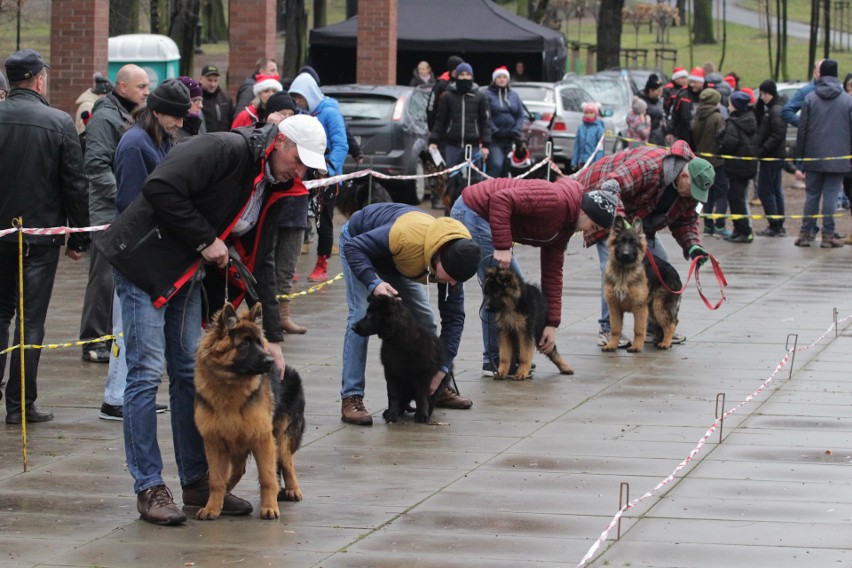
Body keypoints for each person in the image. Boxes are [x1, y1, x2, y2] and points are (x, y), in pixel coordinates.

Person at [97, 113, 329, 525]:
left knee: (189, 371)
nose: (302, 171)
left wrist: (270, 337)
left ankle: (197, 482)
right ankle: (149, 485)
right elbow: (160, 187)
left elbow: (265, 260)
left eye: (308, 166)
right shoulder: (225, 148)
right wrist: (206, 239)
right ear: (279, 142)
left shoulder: (277, 186)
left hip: (187, 273)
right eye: (299, 159)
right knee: (146, 373)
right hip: (144, 263)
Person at [0, 49, 90, 423]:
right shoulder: (58, 122)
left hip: (3, 234)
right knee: (30, 321)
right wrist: (79, 237)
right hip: (39, 237)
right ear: (39, 79)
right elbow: (74, 183)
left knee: (0, 313)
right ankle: (21, 405)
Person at [450, 177, 618, 375]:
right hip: (474, 212)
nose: (591, 232)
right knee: (501, 291)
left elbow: (553, 273)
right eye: (594, 226)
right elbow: (501, 199)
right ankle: (495, 361)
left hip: (487, 217)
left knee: (520, 295)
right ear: (584, 211)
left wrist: (552, 323)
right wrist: (502, 246)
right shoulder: (555, 201)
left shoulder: (566, 226)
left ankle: (511, 357)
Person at [338, 203, 480, 426]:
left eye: (457, 280)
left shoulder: (456, 263)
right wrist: (373, 282)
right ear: (439, 258)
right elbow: (354, 248)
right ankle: (352, 396)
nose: (453, 283)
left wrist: (442, 368)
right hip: (360, 244)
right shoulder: (405, 237)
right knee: (359, 316)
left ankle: (435, 388)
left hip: (400, 262)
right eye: (451, 276)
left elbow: (453, 320)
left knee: (426, 322)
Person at [573, 140, 715, 347]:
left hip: (639, 219)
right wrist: (625, 230)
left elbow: (686, 221)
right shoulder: (649, 166)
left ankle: (657, 326)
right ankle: (607, 329)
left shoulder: (691, 188)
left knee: (661, 263)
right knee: (613, 267)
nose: (692, 196)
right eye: (691, 190)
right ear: (684, 176)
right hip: (602, 199)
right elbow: (611, 187)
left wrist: (693, 246)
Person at [81, 64, 149, 368]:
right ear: (122, 88)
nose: (146, 92)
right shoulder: (105, 119)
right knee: (103, 278)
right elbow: (95, 167)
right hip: (108, 211)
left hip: (125, 210)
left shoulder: (126, 116)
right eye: (141, 87)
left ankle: (110, 336)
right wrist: (126, 196)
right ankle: (93, 340)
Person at [289, 71, 349, 282]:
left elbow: (341, 144)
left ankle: (321, 265)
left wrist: (329, 170)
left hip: (326, 178)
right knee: (297, 219)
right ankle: (290, 265)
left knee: (324, 222)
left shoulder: (330, 113)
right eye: (295, 97)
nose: (298, 101)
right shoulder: (299, 113)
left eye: (300, 97)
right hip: (304, 175)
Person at [793, 59, 851, 249]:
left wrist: (800, 157)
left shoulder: (810, 98)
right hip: (839, 157)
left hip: (814, 156)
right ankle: (828, 234)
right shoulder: (847, 100)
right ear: (836, 75)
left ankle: (806, 233)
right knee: (831, 197)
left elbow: (802, 129)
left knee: (812, 196)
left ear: (820, 74)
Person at [266, 91, 309, 334]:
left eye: (290, 114)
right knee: (266, 264)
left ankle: (283, 314)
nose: (287, 118)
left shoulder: (303, 136)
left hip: (297, 208)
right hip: (273, 208)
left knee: (287, 267)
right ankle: (265, 314)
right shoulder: (268, 138)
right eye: (282, 114)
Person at [429, 62, 491, 209]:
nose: (465, 77)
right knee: (452, 179)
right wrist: (434, 140)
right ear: (456, 76)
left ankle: (474, 210)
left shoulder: (480, 96)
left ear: (472, 76)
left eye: (467, 75)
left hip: (473, 145)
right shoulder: (447, 96)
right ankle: (451, 209)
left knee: (474, 180)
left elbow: (485, 122)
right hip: (453, 145)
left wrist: (486, 145)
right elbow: (440, 120)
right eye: (462, 75)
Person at [719, 91, 759, 243]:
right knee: (737, 198)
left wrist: (720, 147)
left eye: (729, 104)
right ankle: (738, 229)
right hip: (746, 166)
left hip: (736, 167)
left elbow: (729, 144)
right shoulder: (750, 119)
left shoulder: (734, 123)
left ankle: (745, 231)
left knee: (737, 200)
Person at [692, 87, 729, 237]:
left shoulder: (697, 116)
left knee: (706, 194)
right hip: (717, 162)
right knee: (722, 193)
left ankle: (707, 225)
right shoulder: (717, 118)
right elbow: (723, 139)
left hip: (702, 161)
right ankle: (719, 224)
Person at [755, 79, 789, 237]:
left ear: (769, 93)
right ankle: (778, 222)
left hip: (771, 156)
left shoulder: (775, 111)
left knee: (766, 191)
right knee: (775, 190)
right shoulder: (775, 109)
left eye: (762, 94)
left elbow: (776, 135)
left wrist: (762, 151)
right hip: (776, 156)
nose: (761, 97)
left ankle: (774, 224)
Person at [484, 66, 524, 178]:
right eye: (499, 77)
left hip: (510, 139)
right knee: (496, 165)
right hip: (494, 139)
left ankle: (503, 193)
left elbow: (521, 115)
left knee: (506, 168)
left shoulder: (514, 95)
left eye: (504, 77)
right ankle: (488, 191)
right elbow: (486, 116)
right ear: (494, 79)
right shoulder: (487, 94)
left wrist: (516, 130)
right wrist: (495, 130)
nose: (502, 80)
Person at [781, 59, 824, 128]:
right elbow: (786, 111)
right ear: (814, 73)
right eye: (819, 72)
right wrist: (805, 125)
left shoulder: (838, 92)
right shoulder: (807, 91)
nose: (822, 75)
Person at [426, 55, 464, 132]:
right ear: (454, 70)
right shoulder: (440, 86)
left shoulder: (465, 83)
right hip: (443, 130)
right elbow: (431, 108)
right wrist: (433, 130)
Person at [74, 72, 113, 146]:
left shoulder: (93, 104)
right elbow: (86, 133)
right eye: (109, 95)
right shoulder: (88, 106)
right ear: (103, 94)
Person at [668, 67, 705, 146]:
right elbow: (675, 114)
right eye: (690, 82)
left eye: (694, 82)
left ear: (701, 83)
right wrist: (670, 131)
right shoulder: (682, 95)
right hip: (683, 134)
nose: (692, 85)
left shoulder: (706, 96)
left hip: (700, 137)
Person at [198, 64, 234, 133]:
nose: (213, 84)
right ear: (201, 79)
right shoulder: (195, 99)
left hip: (223, 141)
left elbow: (232, 122)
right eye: (209, 80)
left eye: (216, 80)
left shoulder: (226, 99)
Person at [572, 102, 605, 170]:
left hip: (592, 162)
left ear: (595, 114)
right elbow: (576, 146)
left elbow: (600, 148)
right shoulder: (581, 128)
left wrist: (598, 162)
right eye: (586, 113)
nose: (588, 115)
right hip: (581, 161)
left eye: (591, 112)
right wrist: (574, 161)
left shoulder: (599, 129)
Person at [175, 76, 206, 140]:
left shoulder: (199, 117)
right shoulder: (172, 126)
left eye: (200, 100)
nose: (201, 105)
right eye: (195, 100)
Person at [638, 73, 666, 146]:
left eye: (661, 91)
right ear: (651, 90)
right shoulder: (641, 102)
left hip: (658, 134)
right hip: (647, 136)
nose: (660, 94)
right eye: (658, 91)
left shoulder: (659, 100)